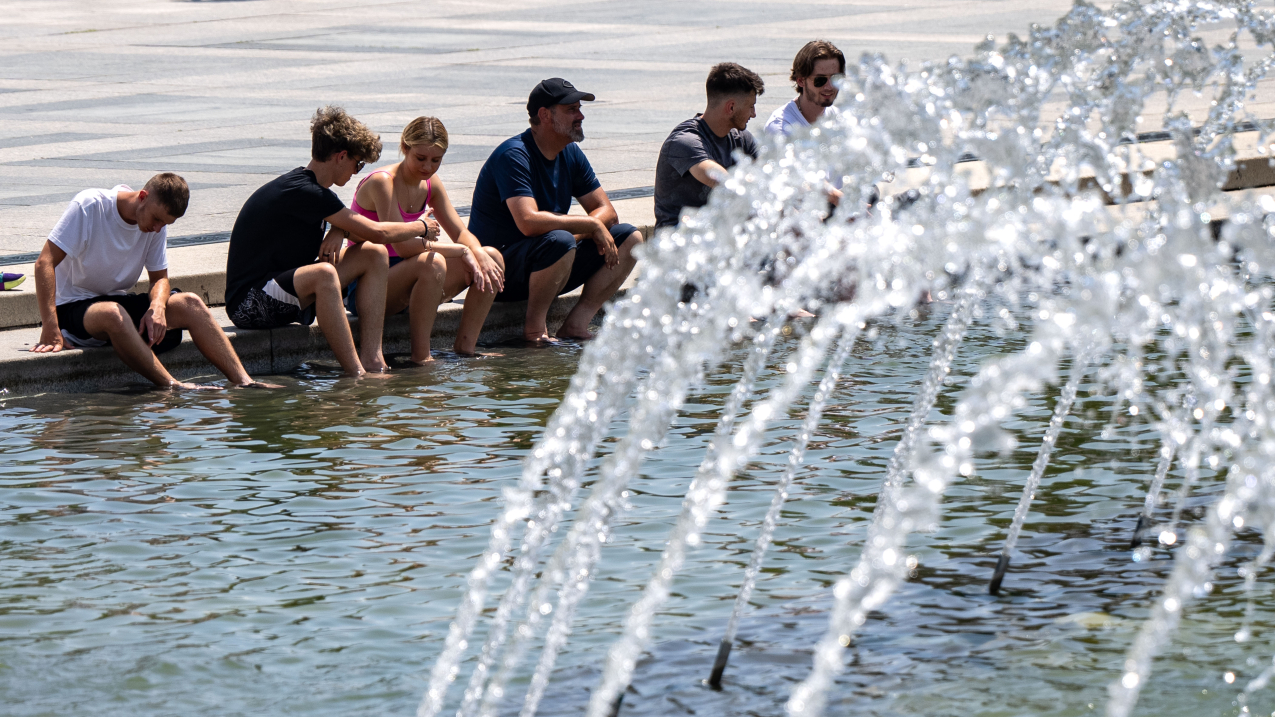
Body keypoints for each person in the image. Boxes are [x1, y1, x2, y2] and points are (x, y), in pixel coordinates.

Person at [225, 106, 445, 377]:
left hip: (279, 289)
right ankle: (356, 375)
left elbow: (367, 237)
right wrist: (420, 227)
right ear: (342, 156)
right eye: (358, 164)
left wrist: (338, 230)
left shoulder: (315, 192)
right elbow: (378, 232)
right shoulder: (304, 190)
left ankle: (373, 361)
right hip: (248, 303)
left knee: (374, 254)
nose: (356, 171)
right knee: (324, 272)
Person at [30, 173, 276, 390]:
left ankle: (245, 381)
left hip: (115, 302)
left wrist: (156, 308)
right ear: (143, 196)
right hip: (73, 306)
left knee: (190, 302)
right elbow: (44, 263)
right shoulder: (90, 205)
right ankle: (172, 385)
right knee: (114, 314)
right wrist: (50, 329)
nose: (158, 229)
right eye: (157, 220)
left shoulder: (156, 226)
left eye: (166, 224)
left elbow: (160, 279)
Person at [468, 78, 643, 343]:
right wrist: (590, 226)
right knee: (560, 241)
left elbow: (606, 210)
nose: (581, 115)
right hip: (500, 273)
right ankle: (535, 331)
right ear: (545, 115)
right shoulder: (514, 155)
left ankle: (576, 324)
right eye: (572, 109)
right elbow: (528, 221)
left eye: (579, 108)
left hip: (552, 260)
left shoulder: (570, 152)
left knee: (630, 238)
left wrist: (585, 231)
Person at [339, 116, 505, 363]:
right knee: (433, 262)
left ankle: (466, 347)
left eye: (435, 160)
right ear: (405, 148)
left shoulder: (430, 183)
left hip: (411, 280)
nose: (427, 167)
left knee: (491, 257)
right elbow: (403, 247)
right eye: (420, 158)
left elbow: (460, 232)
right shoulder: (383, 182)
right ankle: (422, 357)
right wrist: (461, 251)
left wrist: (476, 251)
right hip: (370, 287)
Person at [654, 62, 764, 230]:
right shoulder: (685, 140)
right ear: (731, 107)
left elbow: (768, 175)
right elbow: (719, 179)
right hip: (680, 240)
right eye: (750, 106)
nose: (754, 114)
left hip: (719, 233)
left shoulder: (742, 139)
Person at [765, 40, 845, 137]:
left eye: (835, 78)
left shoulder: (841, 119)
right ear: (800, 81)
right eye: (820, 80)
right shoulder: (782, 127)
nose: (829, 86)